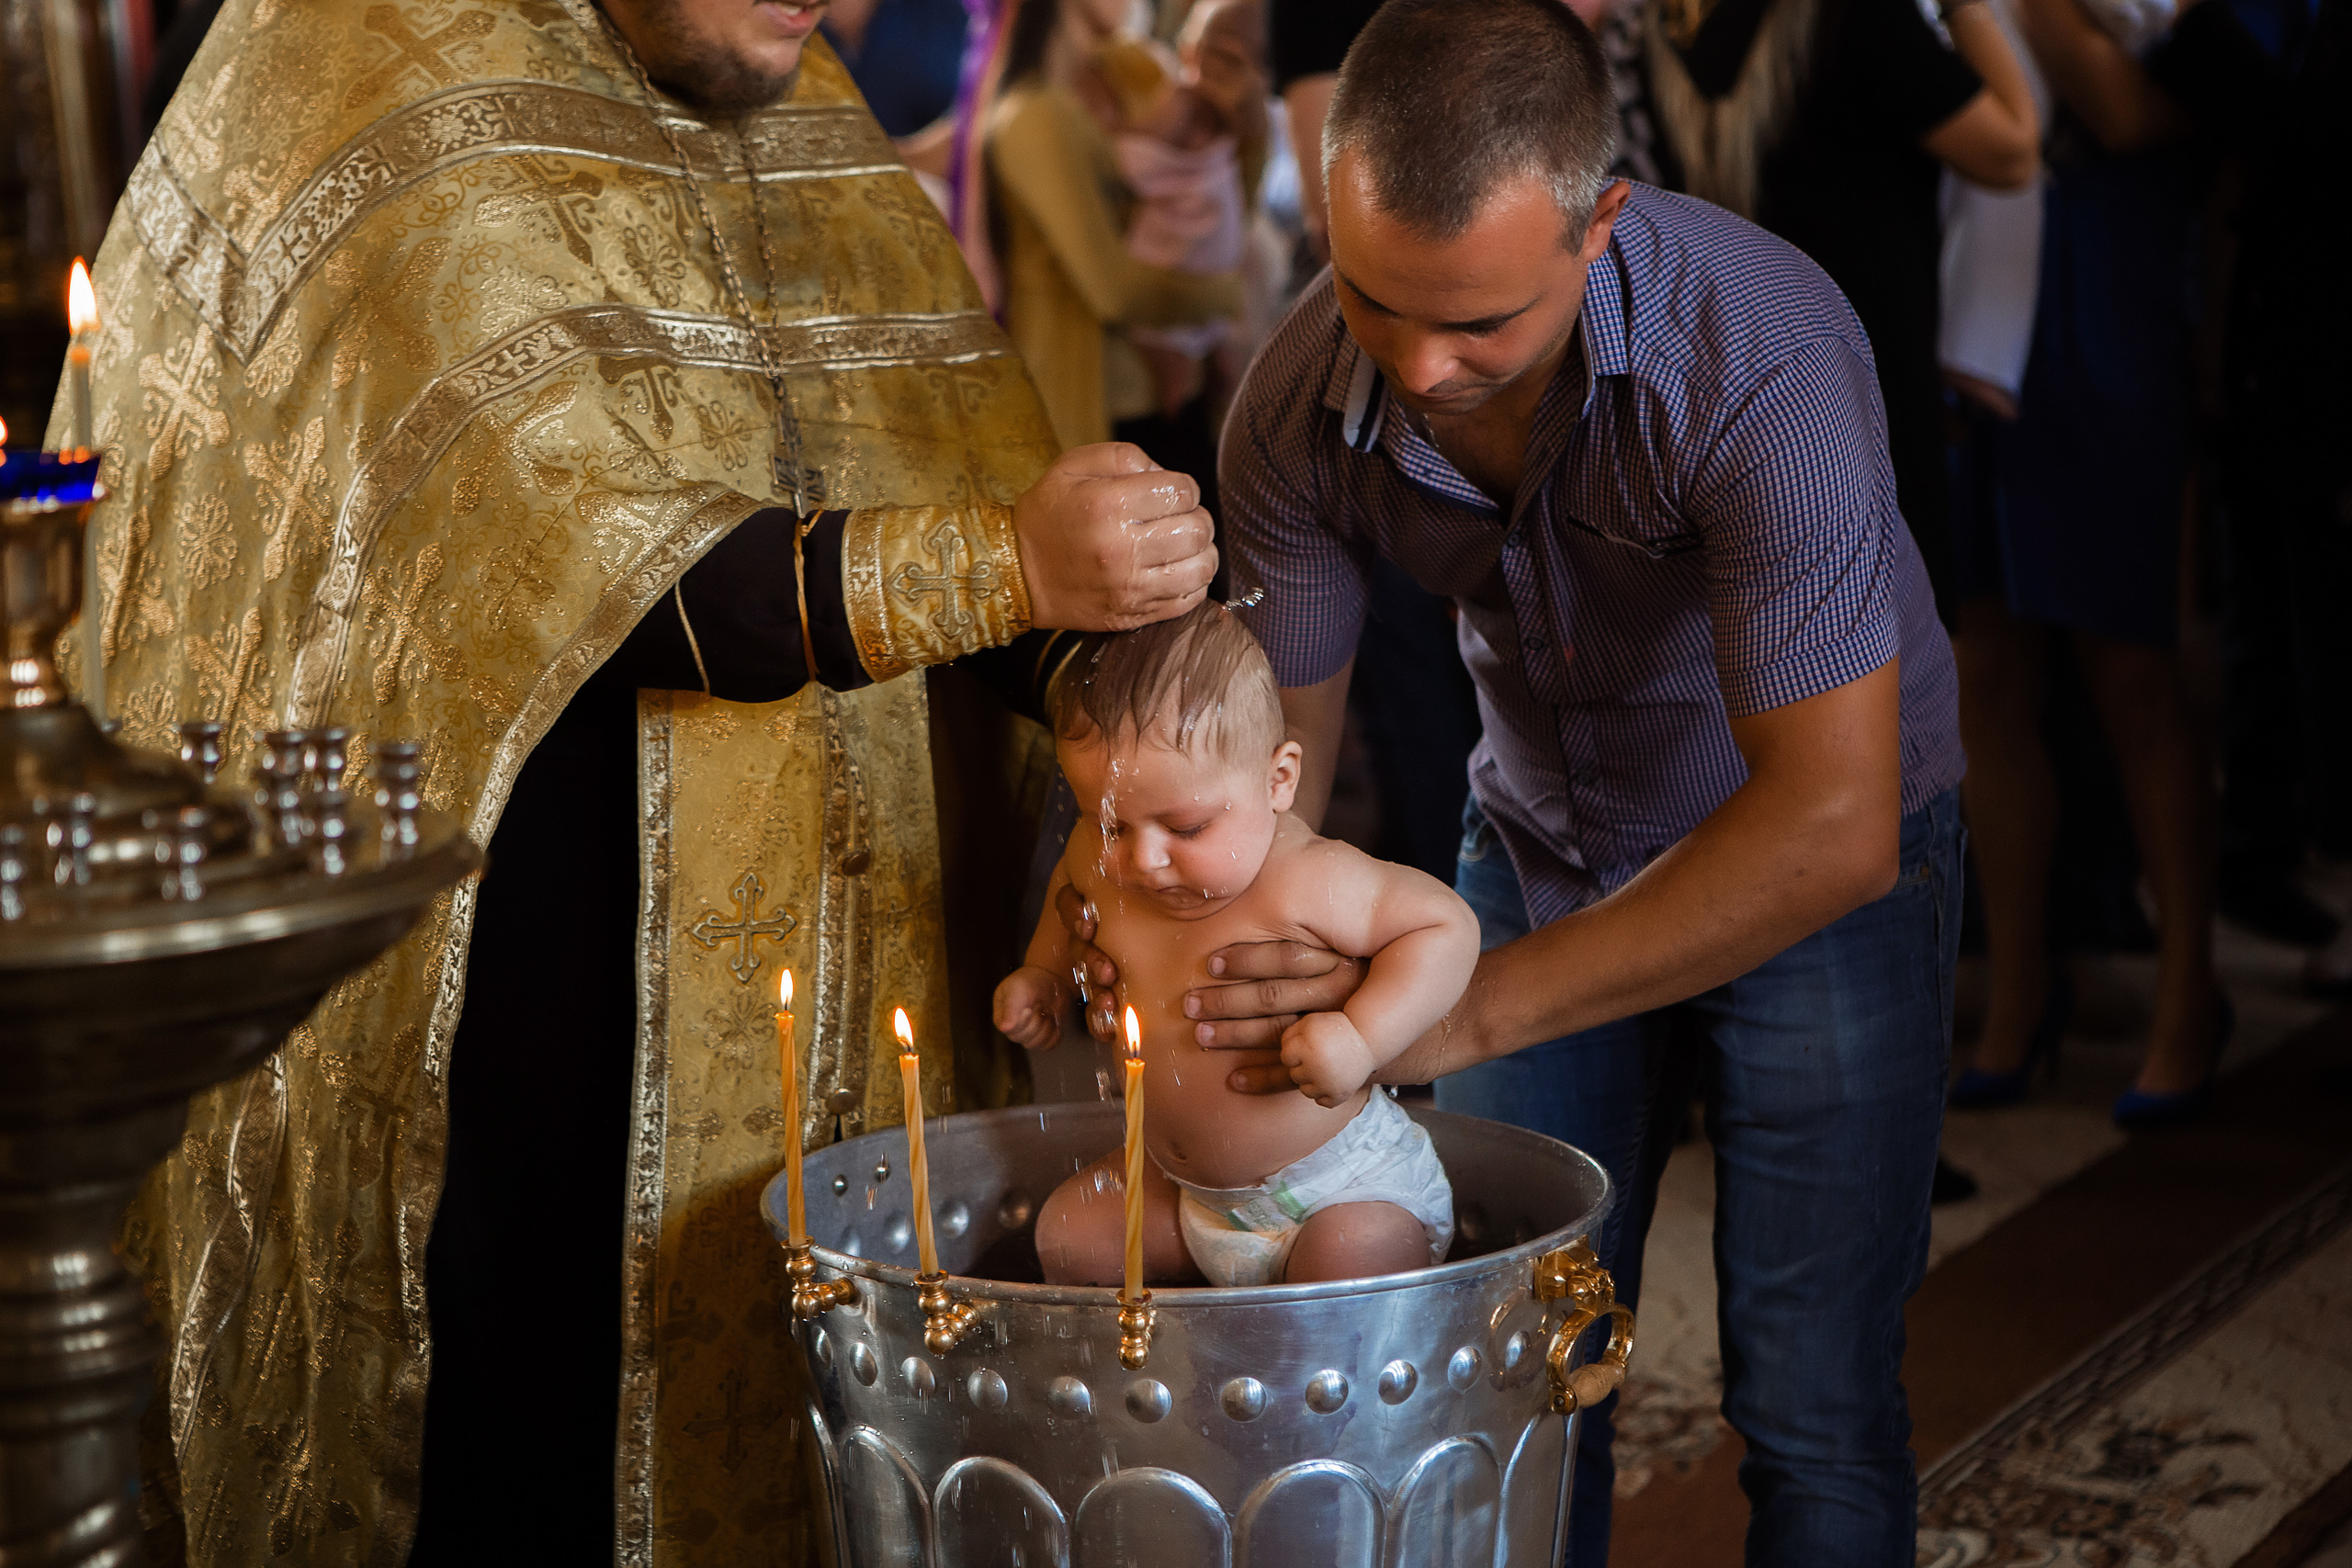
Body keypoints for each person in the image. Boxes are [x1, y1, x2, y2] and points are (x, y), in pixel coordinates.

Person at [67, 0, 1220, 1559]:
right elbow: (569, 550)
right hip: (504, 1007)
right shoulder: (359, 49)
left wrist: (1124, 682)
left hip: (840, 968)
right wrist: (1002, 565)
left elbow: (948, 461)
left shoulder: (789, 86)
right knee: (516, 1465)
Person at [1052, 0, 1970, 1561]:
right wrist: (1155, 946)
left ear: (1598, 225)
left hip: (1813, 860)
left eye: (1480, 323)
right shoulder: (1293, 402)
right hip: (1539, 822)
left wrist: (1450, 1011)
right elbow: (1268, 795)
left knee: (1810, 1394)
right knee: (1505, 1366)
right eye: (1373, 299)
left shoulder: (1764, 353)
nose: (1420, 368)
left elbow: (1831, 823)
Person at [995, 604, 1476, 1286]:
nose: (1143, 860)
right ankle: (1161, 1353)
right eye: (1109, 823)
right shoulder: (1099, 859)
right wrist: (1042, 975)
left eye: (1186, 828)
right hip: (1187, 1191)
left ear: (1279, 781)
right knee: (1071, 1236)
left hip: (1340, 1188)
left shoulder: (1309, 877)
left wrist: (1363, 1037)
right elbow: (1068, 894)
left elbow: (1446, 926)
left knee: (1344, 1272)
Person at [1944, 0, 2232, 1123]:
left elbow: (2122, 107)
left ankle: (2189, 994)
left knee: (2131, 671)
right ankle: (2021, 987)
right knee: (1984, 672)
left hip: (2108, 284)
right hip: (1973, 288)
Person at [1641, 0, 2040, 613]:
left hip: (1730, 382)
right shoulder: (1856, 14)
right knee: (1892, 635)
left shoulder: (1665, 19)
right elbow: (2012, 151)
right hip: (1863, 378)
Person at [986, 0, 1245, 460]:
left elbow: (1202, 178)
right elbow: (1113, 290)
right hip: (1108, 408)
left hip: (1163, 389)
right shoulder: (1035, 114)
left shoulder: (1119, 74)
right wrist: (1226, 297)